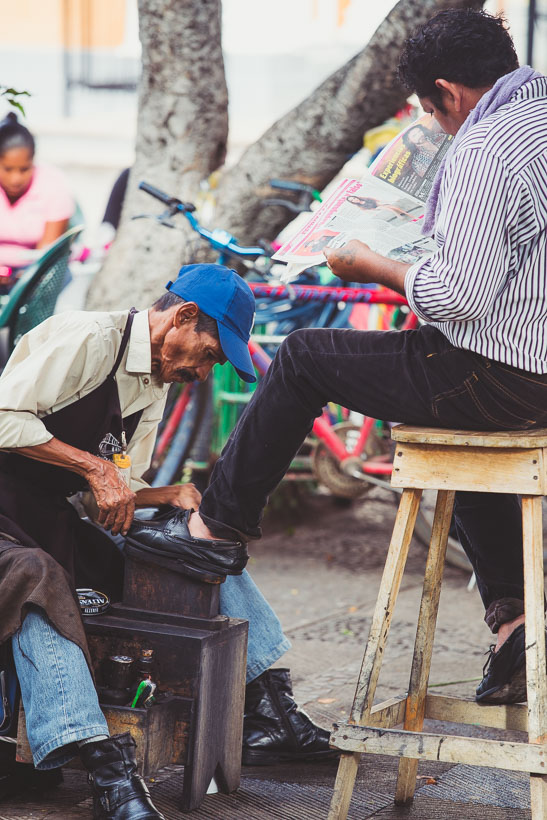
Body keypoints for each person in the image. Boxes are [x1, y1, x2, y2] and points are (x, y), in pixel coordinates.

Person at [179, 9, 547, 709]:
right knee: (458, 439)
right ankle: (514, 630)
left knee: (303, 356)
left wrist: (368, 262)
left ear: (449, 89)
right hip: (533, 373)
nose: (433, 124)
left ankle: (213, 528)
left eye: (427, 108)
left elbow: (457, 295)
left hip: (496, 373)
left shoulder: (485, 148)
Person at [0, 264, 331, 820]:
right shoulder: (86, 337)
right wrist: (95, 470)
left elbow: (107, 495)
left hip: (47, 520)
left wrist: (167, 498)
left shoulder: (152, 384)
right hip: (11, 531)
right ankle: (105, 764)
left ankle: (269, 702)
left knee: (188, 551)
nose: (204, 372)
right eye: (208, 354)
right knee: (39, 577)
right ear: (182, 317)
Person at [0, 113, 74, 271]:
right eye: (8, 169)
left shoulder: (54, 183)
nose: (16, 179)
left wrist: (22, 280)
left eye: (24, 169)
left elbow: (45, 254)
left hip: (34, 275)